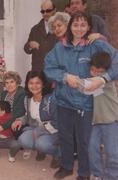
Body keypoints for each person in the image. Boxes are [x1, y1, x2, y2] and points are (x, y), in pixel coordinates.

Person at [44, 11, 118, 180]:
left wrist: (102, 78)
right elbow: (49, 68)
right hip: (64, 100)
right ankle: (66, 166)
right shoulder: (60, 46)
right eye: (75, 25)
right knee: (65, 136)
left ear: (89, 27)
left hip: (86, 103)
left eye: (83, 25)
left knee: (85, 141)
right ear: (70, 26)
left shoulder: (95, 44)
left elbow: (116, 61)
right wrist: (64, 77)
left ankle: (84, 173)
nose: (79, 28)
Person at [12, 70, 60, 168]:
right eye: (31, 83)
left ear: (43, 84)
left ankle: (59, 154)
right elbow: (28, 116)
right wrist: (20, 120)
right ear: (27, 84)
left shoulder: (51, 99)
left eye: (37, 83)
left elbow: (59, 122)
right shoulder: (28, 99)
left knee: (42, 144)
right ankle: (41, 149)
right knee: (23, 140)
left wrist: (40, 131)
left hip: (54, 131)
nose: (34, 86)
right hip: (36, 129)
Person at [85, 52, 118, 180]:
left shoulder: (106, 82)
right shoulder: (93, 81)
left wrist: (70, 79)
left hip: (111, 120)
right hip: (96, 122)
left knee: (113, 152)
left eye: (100, 72)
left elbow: (85, 87)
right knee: (92, 149)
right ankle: (98, 175)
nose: (95, 74)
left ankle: (113, 176)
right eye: (93, 70)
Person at [24, 0, 57, 71]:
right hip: (38, 71)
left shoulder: (60, 28)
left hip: (55, 71)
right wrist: (30, 45)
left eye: (48, 11)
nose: (45, 13)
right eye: (42, 11)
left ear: (54, 10)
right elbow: (26, 49)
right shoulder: (35, 29)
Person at [0, 71, 26, 137]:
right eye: (7, 83)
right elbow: (0, 109)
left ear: (17, 83)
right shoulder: (4, 94)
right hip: (5, 118)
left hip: (17, 118)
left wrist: (2, 127)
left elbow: (17, 113)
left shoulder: (21, 93)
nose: (9, 85)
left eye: (12, 82)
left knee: (16, 129)